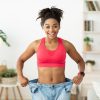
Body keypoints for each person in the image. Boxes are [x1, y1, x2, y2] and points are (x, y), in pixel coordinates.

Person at [17, 6, 85, 100]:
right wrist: (20, 76)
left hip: (62, 89)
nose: (51, 30)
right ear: (42, 27)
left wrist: (80, 74)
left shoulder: (66, 45)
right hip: (40, 90)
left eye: (55, 26)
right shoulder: (36, 44)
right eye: (47, 26)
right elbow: (21, 60)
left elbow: (80, 60)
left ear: (59, 26)